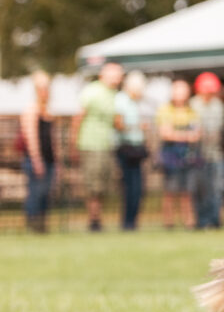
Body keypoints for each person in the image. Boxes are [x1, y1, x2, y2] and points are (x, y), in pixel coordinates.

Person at [71, 62, 123, 232]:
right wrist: (74, 144)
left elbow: (116, 122)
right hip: (90, 145)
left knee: (103, 186)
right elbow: (78, 118)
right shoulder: (92, 91)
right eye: (115, 75)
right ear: (104, 75)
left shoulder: (114, 94)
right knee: (93, 185)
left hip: (106, 145)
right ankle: (93, 221)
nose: (118, 78)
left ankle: (97, 219)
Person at [157, 79, 200, 229]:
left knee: (187, 190)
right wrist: (187, 136)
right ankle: (168, 222)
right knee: (170, 190)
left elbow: (197, 133)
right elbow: (166, 134)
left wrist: (178, 134)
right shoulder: (165, 110)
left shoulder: (191, 110)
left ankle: (189, 221)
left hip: (188, 155)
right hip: (171, 155)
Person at [19, 71, 57, 233]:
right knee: (35, 193)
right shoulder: (31, 110)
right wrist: (36, 160)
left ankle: (42, 226)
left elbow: (52, 140)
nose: (45, 92)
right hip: (36, 160)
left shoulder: (48, 111)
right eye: (42, 89)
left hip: (49, 160)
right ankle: (33, 226)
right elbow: (31, 138)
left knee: (45, 194)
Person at [113, 71, 149, 231]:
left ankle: (132, 222)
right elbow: (118, 124)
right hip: (126, 149)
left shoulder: (135, 102)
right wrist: (137, 127)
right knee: (130, 187)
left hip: (137, 148)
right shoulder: (121, 100)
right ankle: (127, 222)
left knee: (138, 188)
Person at [191, 72, 224, 229]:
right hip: (197, 154)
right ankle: (202, 220)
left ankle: (215, 220)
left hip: (216, 153)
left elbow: (220, 129)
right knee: (200, 189)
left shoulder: (218, 105)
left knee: (216, 188)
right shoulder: (192, 105)